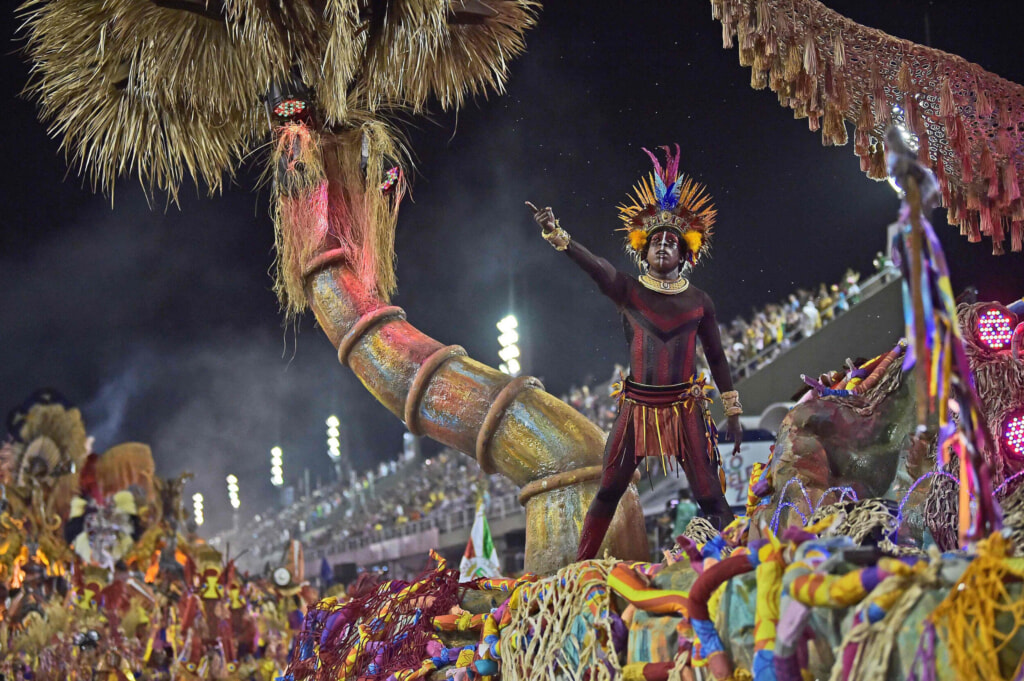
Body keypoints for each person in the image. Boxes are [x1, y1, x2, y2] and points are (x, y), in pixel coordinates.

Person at [526, 145, 743, 561]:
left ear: (685, 253)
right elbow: (597, 267)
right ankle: (581, 568)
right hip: (637, 408)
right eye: (655, 240)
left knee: (711, 497)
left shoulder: (700, 301)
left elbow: (716, 357)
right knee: (608, 490)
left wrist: (732, 409)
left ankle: (741, 563)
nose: (663, 245)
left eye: (671, 241)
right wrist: (558, 235)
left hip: (685, 409)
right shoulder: (628, 290)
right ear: (643, 251)